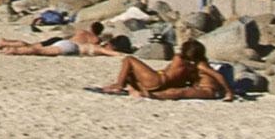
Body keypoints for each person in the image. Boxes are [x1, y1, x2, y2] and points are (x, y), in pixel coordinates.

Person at [95, 39, 227, 100]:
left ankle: (119, 85)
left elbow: (216, 77)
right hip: (161, 84)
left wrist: (229, 92)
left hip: (157, 80)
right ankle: (133, 89)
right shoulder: (191, 67)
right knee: (130, 75)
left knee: (129, 60)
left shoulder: (180, 59)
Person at [0, 20, 118, 56]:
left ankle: (6, 42)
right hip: (65, 45)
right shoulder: (96, 40)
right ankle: (11, 48)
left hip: (59, 39)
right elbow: (98, 48)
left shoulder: (82, 31)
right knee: (34, 49)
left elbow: (69, 36)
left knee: (31, 45)